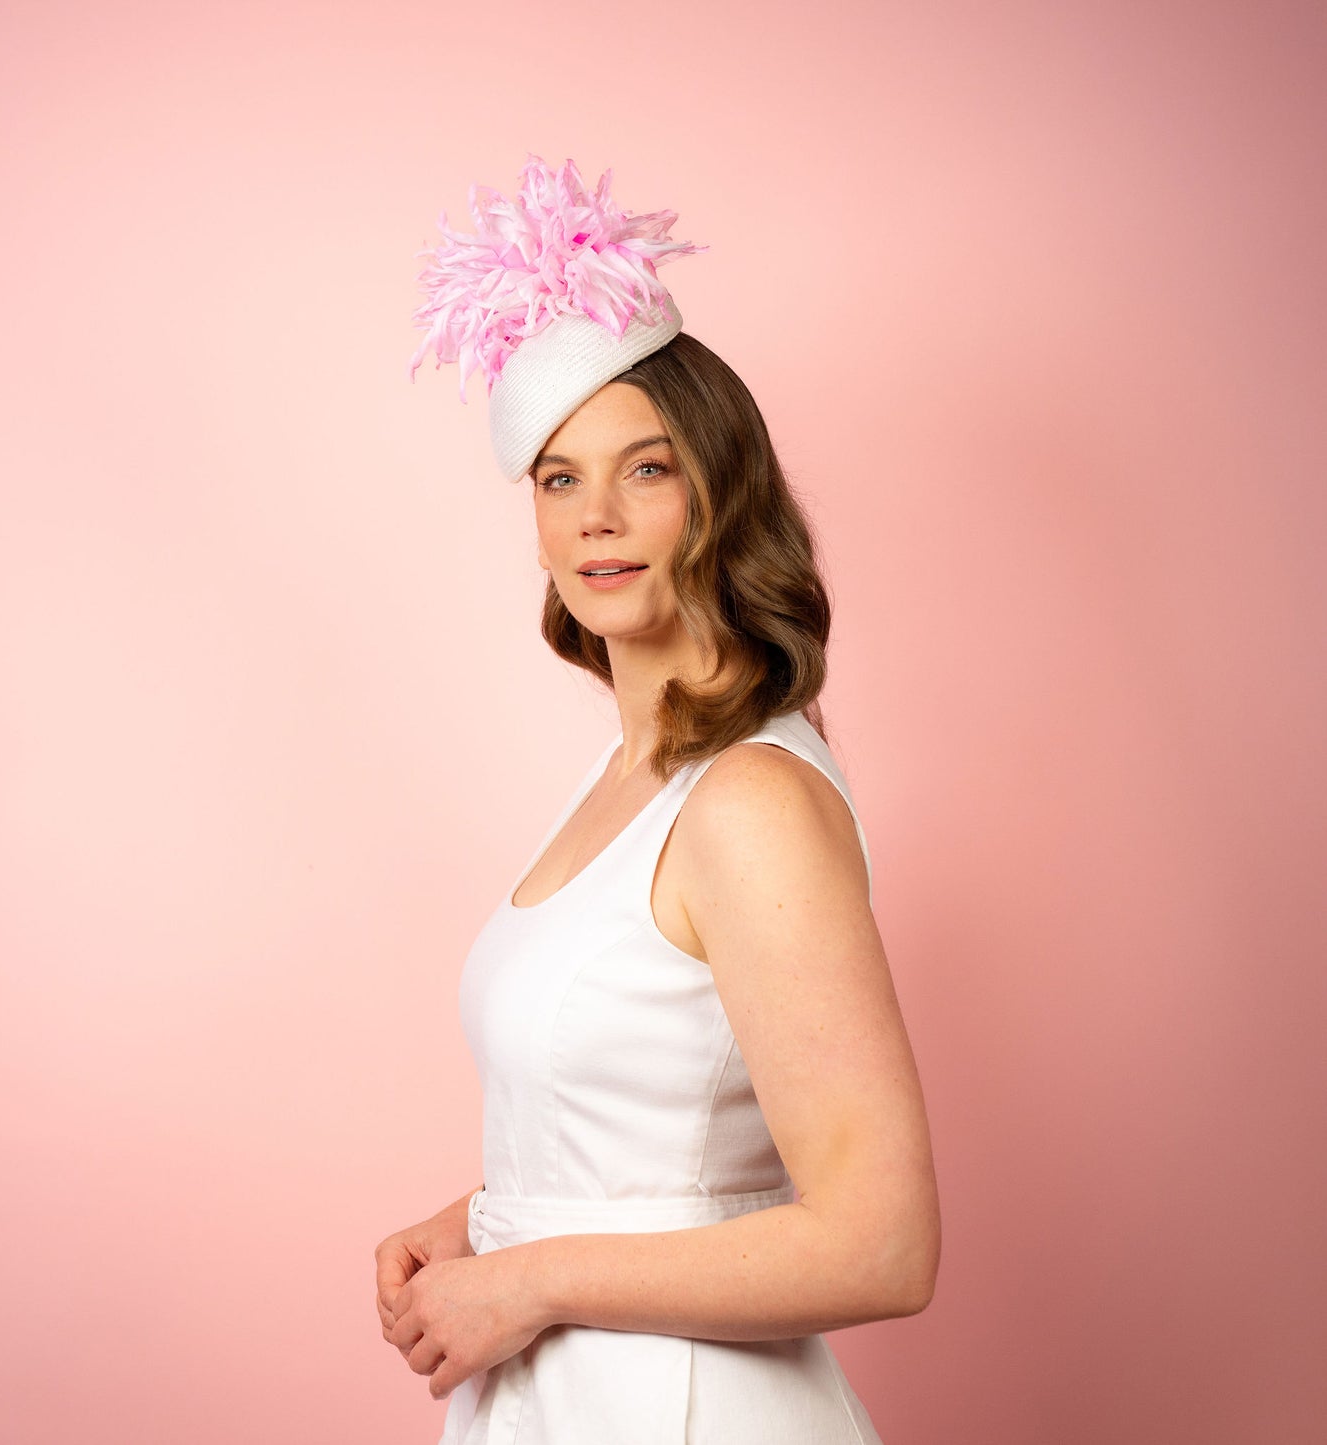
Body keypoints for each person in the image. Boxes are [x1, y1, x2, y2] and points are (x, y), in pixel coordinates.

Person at [377, 154, 940, 1444]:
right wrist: (480, 1223)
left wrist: (529, 1278)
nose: (598, 518)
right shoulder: (635, 778)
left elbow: (884, 1242)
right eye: (559, 478)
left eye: (648, 467)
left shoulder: (747, 802)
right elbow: (664, 1124)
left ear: (719, 487)